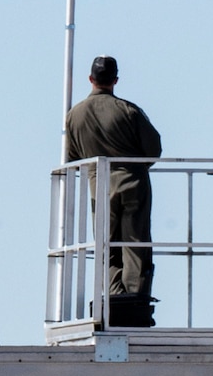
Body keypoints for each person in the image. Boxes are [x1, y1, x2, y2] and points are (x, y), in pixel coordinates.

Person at [64, 55, 165, 304]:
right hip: (133, 182)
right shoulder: (128, 111)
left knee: (106, 245)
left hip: (99, 185)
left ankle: (113, 297)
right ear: (115, 80)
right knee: (135, 242)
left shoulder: (74, 115)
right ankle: (135, 298)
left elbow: (72, 156)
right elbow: (154, 149)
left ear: (90, 79)